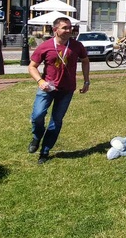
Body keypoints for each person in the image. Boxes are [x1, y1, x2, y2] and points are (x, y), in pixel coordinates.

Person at [27, 17, 90, 164]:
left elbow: (85, 61)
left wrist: (86, 80)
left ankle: (45, 151)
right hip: (47, 88)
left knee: (56, 121)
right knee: (37, 116)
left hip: (66, 90)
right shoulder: (45, 46)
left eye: (70, 27)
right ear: (55, 30)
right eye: (65, 28)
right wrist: (40, 81)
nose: (69, 30)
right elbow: (31, 67)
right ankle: (37, 136)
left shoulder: (77, 45)